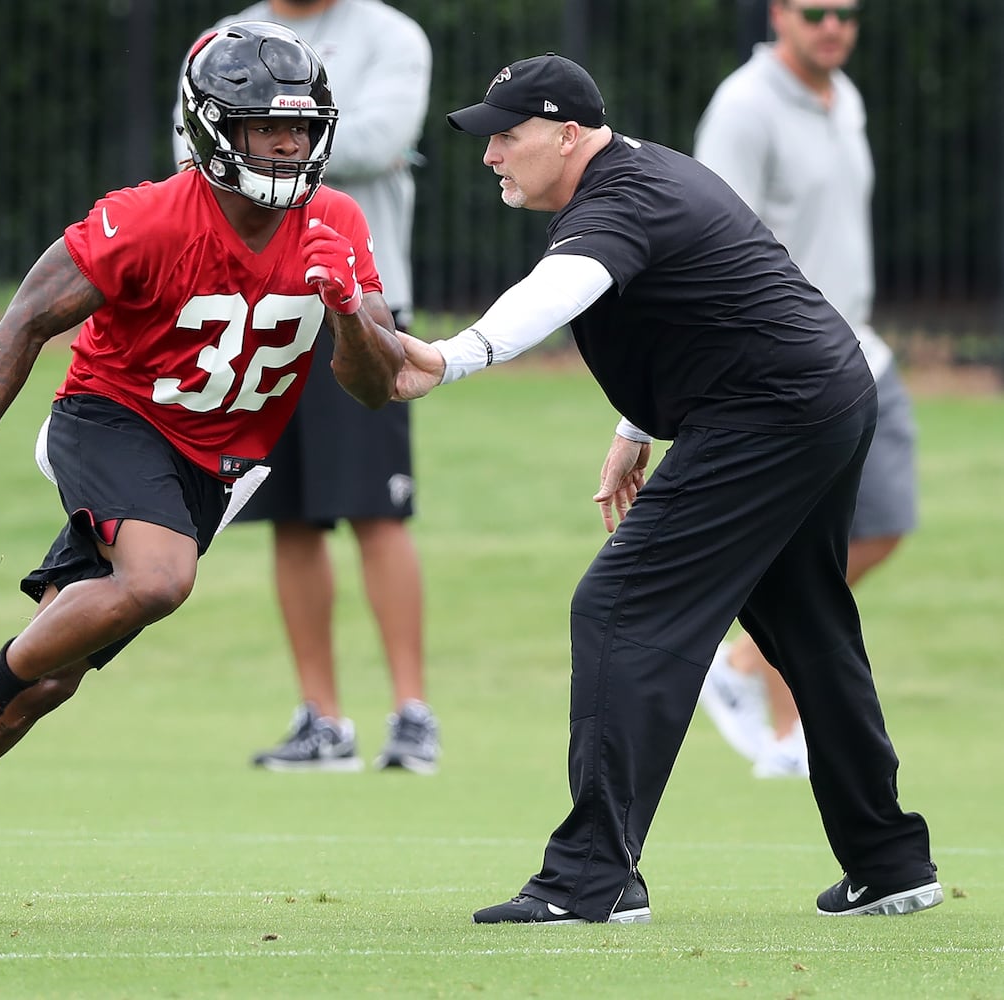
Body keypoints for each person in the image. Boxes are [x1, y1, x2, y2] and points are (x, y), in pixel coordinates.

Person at [0, 21, 404, 928]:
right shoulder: (151, 218)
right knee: (158, 580)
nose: (286, 145)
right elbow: (23, 321)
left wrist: (349, 310)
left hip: (212, 464)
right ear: (211, 130)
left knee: (51, 678)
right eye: (260, 126)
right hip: (111, 417)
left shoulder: (337, 223)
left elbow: (373, 386)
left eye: (298, 127)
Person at [392, 52, 941, 923]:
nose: (490, 154)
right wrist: (635, 427)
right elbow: (700, 303)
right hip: (820, 396)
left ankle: (590, 880)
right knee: (805, 623)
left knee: (618, 607)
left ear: (566, 133)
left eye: (507, 135)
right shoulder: (637, 176)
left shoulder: (617, 201)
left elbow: (564, 288)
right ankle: (887, 858)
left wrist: (452, 356)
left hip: (770, 413)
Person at [170, 0, 437, 774]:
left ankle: (411, 714)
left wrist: (253, 131)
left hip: (361, 302)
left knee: (376, 510)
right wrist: (291, 137)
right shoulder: (221, 36)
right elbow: (189, 155)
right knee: (287, 515)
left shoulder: (391, 34)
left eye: (302, 125)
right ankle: (323, 721)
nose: (289, 140)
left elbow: (385, 138)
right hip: (249, 305)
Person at [692, 0, 917, 780]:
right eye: (816, 12)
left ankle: (741, 663)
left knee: (880, 525)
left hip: (859, 350)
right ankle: (789, 737)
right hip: (788, 361)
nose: (834, 28)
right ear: (780, 13)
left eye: (848, 15)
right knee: (806, 542)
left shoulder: (842, 96)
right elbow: (706, 235)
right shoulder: (744, 107)